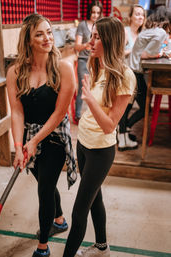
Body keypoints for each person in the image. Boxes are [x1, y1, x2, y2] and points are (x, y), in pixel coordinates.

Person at [63, 17, 136, 257]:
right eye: (91, 36)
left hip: (100, 152)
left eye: (96, 37)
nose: (90, 42)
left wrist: (90, 101)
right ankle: (102, 246)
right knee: (95, 198)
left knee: (78, 210)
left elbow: (109, 126)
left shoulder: (124, 76)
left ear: (110, 40)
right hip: (82, 144)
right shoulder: (97, 66)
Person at [6, 13, 77, 257]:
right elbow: (16, 112)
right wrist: (18, 145)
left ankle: (43, 246)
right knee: (44, 182)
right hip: (29, 136)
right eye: (39, 34)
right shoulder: (15, 72)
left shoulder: (64, 69)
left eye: (49, 32)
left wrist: (34, 141)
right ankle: (59, 220)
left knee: (44, 188)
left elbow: (59, 114)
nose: (47, 38)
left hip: (55, 136)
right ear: (28, 40)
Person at [126, 6, 171, 146]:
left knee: (129, 104)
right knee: (143, 107)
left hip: (133, 71)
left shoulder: (153, 31)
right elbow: (144, 55)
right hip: (135, 72)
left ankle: (123, 130)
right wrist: (160, 54)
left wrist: (160, 53)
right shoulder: (161, 33)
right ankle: (123, 129)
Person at [117, 4, 146, 151]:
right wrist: (133, 50)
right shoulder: (125, 31)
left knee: (145, 108)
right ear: (130, 17)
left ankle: (125, 129)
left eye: (142, 14)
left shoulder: (144, 33)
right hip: (127, 74)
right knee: (125, 106)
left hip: (139, 74)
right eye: (137, 14)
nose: (140, 17)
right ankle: (122, 140)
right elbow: (118, 53)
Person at [74, 0, 102, 124]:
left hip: (96, 61)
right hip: (83, 60)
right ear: (89, 12)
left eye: (98, 13)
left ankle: (94, 115)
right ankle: (78, 115)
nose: (95, 15)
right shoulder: (82, 25)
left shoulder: (101, 26)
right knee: (82, 88)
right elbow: (77, 46)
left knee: (96, 88)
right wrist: (87, 44)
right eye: (93, 12)